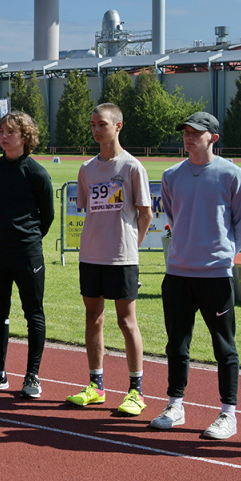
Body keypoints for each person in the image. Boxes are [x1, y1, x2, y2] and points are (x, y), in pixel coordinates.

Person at [149, 111, 241, 440]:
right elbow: (173, 214)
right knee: (176, 344)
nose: (189, 137)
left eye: (196, 132)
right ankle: (175, 405)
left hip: (216, 276)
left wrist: (223, 254)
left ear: (213, 138)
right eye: (186, 132)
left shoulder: (232, 174)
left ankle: (228, 413)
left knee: (224, 346)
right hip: (178, 273)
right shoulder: (171, 175)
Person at [67, 103, 153, 416]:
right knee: (93, 317)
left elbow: (145, 214)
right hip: (91, 255)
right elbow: (88, 209)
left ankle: (136, 391)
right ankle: (96, 386)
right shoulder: (87, 169)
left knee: (126, 321)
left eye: (101, 124)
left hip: (122, 257)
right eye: (92, 124)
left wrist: (132, 247)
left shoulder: (132, 167)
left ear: (118, 126)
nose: (96, 130)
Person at [0, 111, 54, 397]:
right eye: (1, 132)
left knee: (34, 313)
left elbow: (47, 217)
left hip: (27, 254)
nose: (4, 136)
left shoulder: (37, 173)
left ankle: (32, 376)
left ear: (25, 136)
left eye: (10, 132)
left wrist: (27, 239)